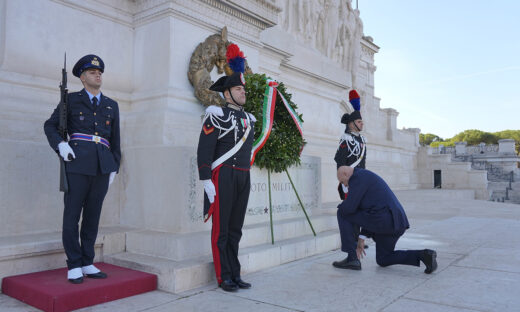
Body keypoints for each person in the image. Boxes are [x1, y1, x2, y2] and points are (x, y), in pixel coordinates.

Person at [44, 54, 120, 284]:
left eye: (99, 72)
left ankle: (88, 261)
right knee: (72, 215)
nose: (98, 75)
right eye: (92, 72)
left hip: (102, 166)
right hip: (77, 163)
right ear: (82, 77)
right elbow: (50, 125)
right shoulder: (71, 100)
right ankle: (74, 264)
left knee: (93, 216)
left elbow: (116, 139)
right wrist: (61, 144)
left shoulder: (111, 105)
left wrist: (115, 166)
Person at [197, 72, 255, 292]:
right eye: (239, 89)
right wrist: (206, 180)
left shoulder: (249, 119)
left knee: (235, 228)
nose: (244, 92)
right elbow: (204, 150)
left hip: (243, 175)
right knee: (221, 229)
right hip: (222, 175)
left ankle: (235, 273)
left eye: (243, 89)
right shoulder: (215, 115)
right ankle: (224, 276)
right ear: (227, 93)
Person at [333, 166, 437, 274]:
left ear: (345, 174)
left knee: (342, 211)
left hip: (385, 220)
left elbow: (350, 208)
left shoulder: (357, 177)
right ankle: (425, 255)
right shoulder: (365, 176)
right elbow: (369, 211)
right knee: (383, 258)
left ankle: (352, 258)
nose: (345, 185)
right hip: (396, 223)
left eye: (342, 182)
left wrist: (342, 206)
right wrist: (361, 237)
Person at [334, 89, 366, 200]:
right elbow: (340, 161)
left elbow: (362, 163)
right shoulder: (346, 139)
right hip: (349, 181)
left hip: (360, 179)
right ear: (351, 124)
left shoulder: (361, 140)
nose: (362, 124)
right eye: (359, 122)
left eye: (361, 122)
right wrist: (344, 181)